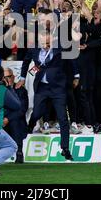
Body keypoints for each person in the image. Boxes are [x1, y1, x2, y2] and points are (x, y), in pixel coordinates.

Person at [19, 31, 78, 161]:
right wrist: (22, 77)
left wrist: (76, 75)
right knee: (37, 113)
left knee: (63, 117)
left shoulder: (60, 47)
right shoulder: (33, 49)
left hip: (58, 88)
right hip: (42, 87)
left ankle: (65, 148)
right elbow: (26, 62)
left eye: (48, 42)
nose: (46, 45)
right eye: (43, 42)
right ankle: (31, 124)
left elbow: (72, 58)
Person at [3, 67, 28, 164]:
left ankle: (19, 152)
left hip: (14, 122)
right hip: (1, 121)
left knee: (16, 121)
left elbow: (22, 110)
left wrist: (7, 119)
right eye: (4, 77)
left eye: (8, 77)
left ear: (13, 77)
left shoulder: (21, 90)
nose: (6, 79)